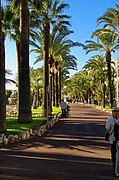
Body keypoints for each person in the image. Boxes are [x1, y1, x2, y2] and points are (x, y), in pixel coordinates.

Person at [105, 107, 119, 175]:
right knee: (114, 153)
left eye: (117, 111)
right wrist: (113, 129)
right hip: (113, 139)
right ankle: (114, 166)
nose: (116, 112)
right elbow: (107, 130)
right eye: (114, 111)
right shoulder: (110, 119)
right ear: (112, 112)